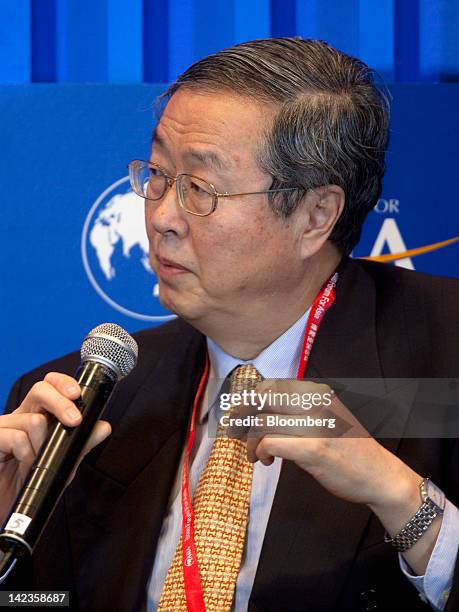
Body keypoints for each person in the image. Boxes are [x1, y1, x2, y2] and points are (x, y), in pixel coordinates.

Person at [1, 38, 458, 611]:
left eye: (201, 189)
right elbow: (40, 602)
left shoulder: (444, 357)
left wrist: (404, 502)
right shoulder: (82, 400)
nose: (162, 216)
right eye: (159, 174)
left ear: (316, 215)